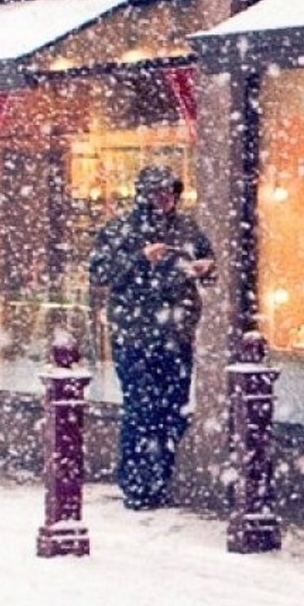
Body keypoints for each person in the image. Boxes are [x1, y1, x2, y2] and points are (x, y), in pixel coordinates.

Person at [88, 166, 215, 510]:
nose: (165, 199)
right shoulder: (122, 229)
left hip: (177, 335)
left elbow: (206, 262)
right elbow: (99, 272)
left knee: (174, 411)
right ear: (143, 194)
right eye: (157, 193)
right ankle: (136, 483)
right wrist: (141, 260)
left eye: (169, 192)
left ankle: (160, 479)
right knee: (142, 410)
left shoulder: (187, 228)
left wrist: (205, 268)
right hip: (135, 335)